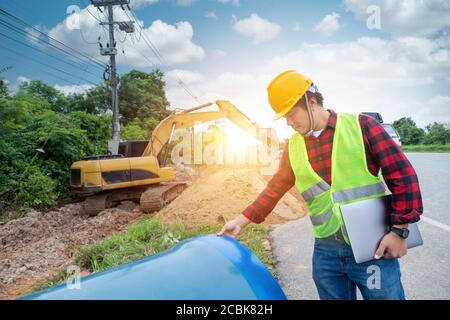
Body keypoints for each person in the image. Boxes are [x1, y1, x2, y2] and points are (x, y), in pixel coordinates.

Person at [218, 70, 423, 300]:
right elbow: (275, 188)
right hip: (326, 254)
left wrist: (399, 232)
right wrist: (240, 221)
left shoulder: (362, 126)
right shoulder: (293, 146)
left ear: (312, 102)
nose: (289, 123)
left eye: (291, 115)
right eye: (284, 118)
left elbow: (403, 176)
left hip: (372, 249)